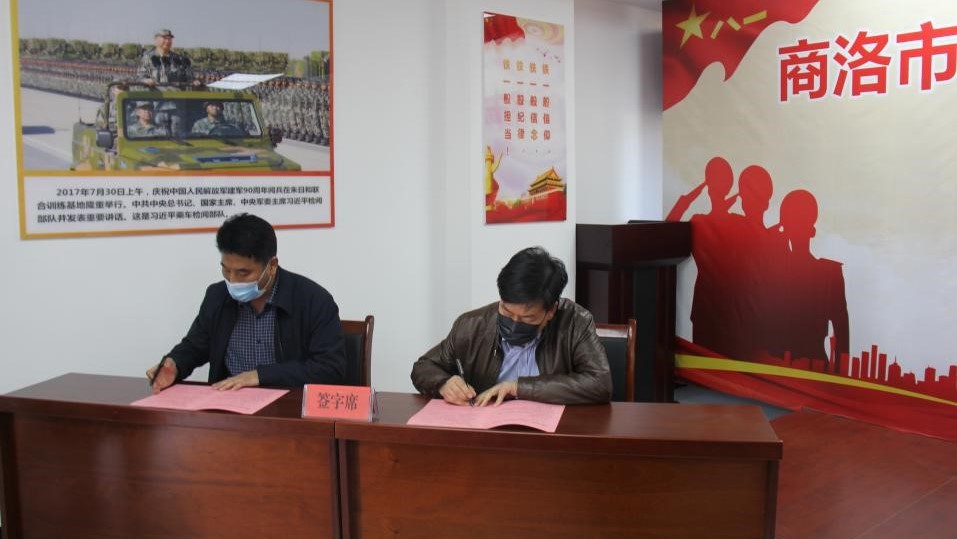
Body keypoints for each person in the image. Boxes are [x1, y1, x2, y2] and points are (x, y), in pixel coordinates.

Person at [147, 213, 346, 392]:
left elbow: (330, 369)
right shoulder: (217, 296)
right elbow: (195, 346)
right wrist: (174, 364)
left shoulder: (313, 301)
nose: (233, 281)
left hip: (288, 408)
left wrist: (260, 376)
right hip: (229, 406)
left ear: (272, 266)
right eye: (226, 270)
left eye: (243, 273)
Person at [411, 247, 612, 406]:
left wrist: (518, 388)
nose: (514, 324)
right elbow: (423, 367)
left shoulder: (576, 322)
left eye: (527, 318)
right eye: (506, 312)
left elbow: (600, 384)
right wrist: (443, 383)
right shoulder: (471, 326)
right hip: (489, 432)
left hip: (552, 434)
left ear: (551, 311)